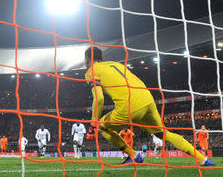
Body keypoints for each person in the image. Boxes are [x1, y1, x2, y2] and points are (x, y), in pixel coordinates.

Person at [84, 46, 215, 166]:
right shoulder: (115, 64)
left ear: (87, 60)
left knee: (102, 127)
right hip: (147, 99)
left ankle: (135, 156)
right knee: (164, 134)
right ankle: (203, 159)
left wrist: (92, 125)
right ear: (101, 58)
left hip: (130, 105)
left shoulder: (91, 71)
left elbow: (99, 98)